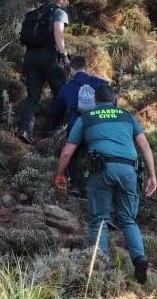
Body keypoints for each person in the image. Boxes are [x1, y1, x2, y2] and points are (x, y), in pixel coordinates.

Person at [55, 86, 157, 283]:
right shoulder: (127, 116)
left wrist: (60, 175)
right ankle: (139, 259)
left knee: (99, 220)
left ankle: (100, 267)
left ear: (95, 100)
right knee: (128, 219)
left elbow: (68, 152)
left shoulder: (86, 118)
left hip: (102, 170)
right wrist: (152, 176)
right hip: (129, 171)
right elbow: (145, 146)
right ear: (115, 99)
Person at [46, 55, 111, 195]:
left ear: (71, 69)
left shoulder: (67, 87)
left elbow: (57, 109)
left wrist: (51, 127)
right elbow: (111, 97)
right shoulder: (99, 82)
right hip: (96, 126)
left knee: (72, 154)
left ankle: (75, 185)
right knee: (96, 154)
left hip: (75, 124)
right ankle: (92, 185)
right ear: (85, 67)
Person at [18, 0, 70, 143]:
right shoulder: (59, 12)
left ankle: (25, 130)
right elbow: (58, 33)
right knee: (61, 92)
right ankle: (51, 129)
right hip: (48, 56)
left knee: (33, 96)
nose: (68, 2)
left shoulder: (38, 12)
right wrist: (64, 55)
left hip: (30, 56)